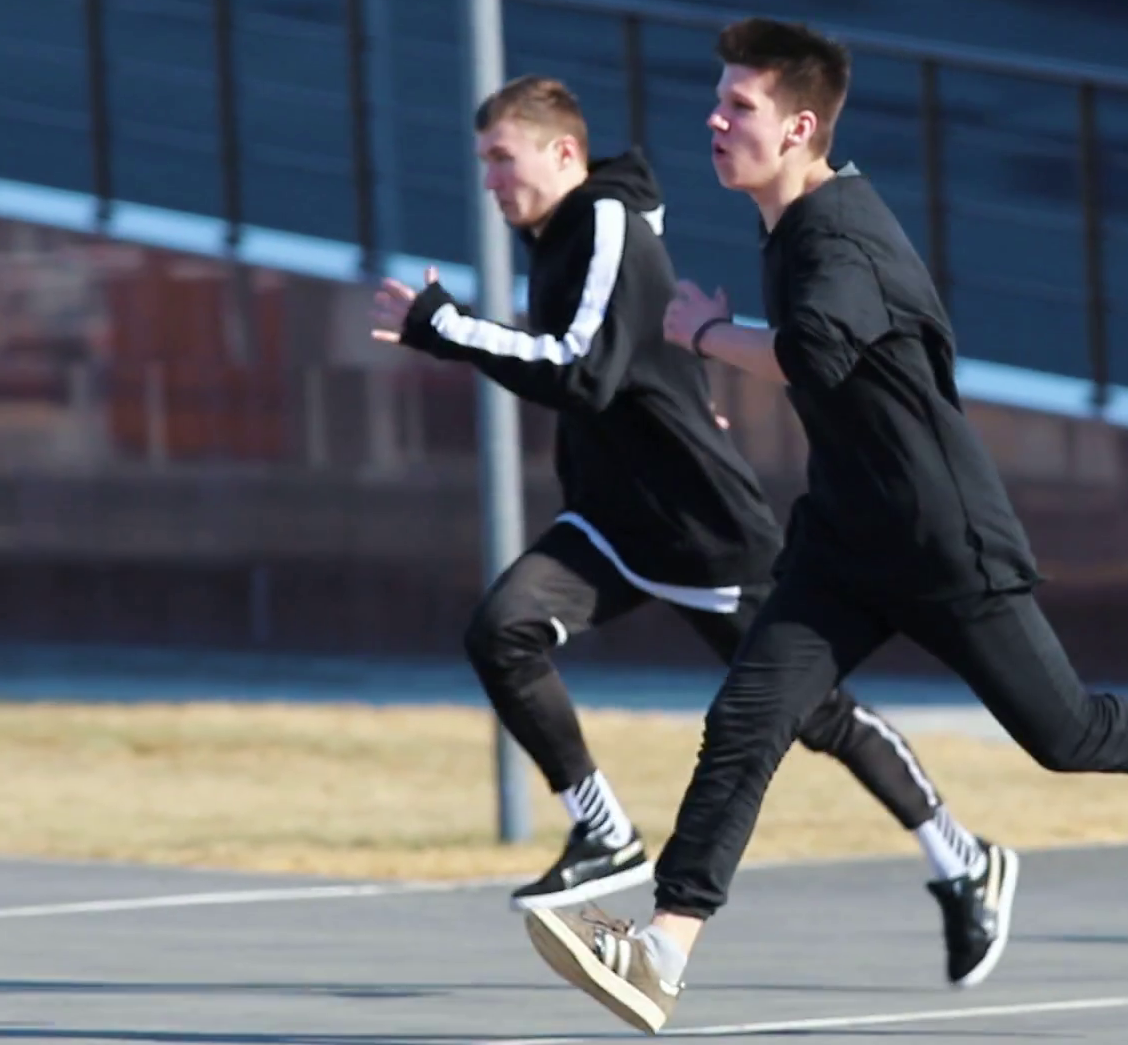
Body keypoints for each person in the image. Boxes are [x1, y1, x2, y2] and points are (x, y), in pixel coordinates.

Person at [519, 19, 1128, 1035]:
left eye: (738, 105)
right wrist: (722, 342)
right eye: (719, 97)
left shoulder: (839, 229)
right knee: (748, 718)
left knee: (1067, 734)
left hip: (941, 539)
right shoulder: (792, 226)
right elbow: (823, 361)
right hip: (843, 542)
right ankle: (662, 951)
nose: (715, 116)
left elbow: (818, 351)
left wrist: (704, 333)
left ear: (797, 129)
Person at [369, 74, 1020, 988]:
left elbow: (583, 371)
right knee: (500, 630)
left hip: (703, 531)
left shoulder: (603, 221)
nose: (490, 179)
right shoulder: (556, 236)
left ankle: (963, 858)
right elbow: (623, 362)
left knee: (815, 718)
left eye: (501, 158)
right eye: (483, 161)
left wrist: (448, 327)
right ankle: (603, 831)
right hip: (610, 521)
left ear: (564, 153)